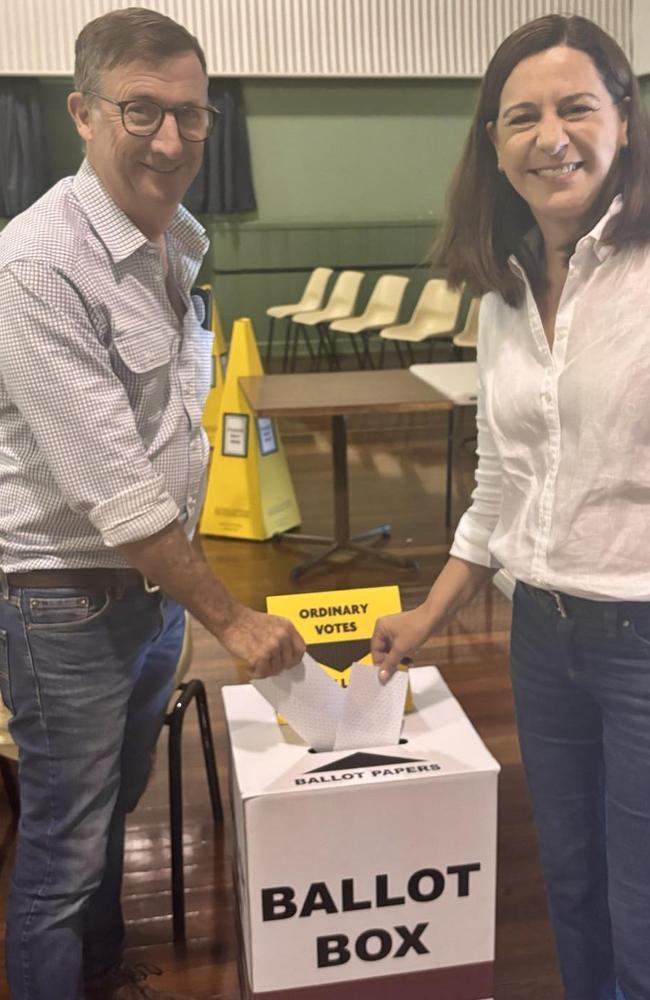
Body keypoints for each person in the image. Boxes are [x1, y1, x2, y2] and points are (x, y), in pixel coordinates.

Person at [0, 8, 304, 1000]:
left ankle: (96, 971)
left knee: (109, 808)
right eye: (142, 112)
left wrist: (184, 600)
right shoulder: (38, 264)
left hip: (145, 587)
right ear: (82, 113)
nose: (171, 140)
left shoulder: (177, 239)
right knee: (64, 841)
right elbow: (116, 493)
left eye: (190, 114)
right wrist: (233, 615)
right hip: (63, 593)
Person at [371, 14, 650, 1000]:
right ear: (491, 146)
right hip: (540, 636)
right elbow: (497, 489)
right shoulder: (501, 297)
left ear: (623, 117)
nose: (550, 135)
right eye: (519, 116)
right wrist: (424, 616)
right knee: (570, 886)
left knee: (641, 912)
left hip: (640, 639)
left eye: (575, 106)